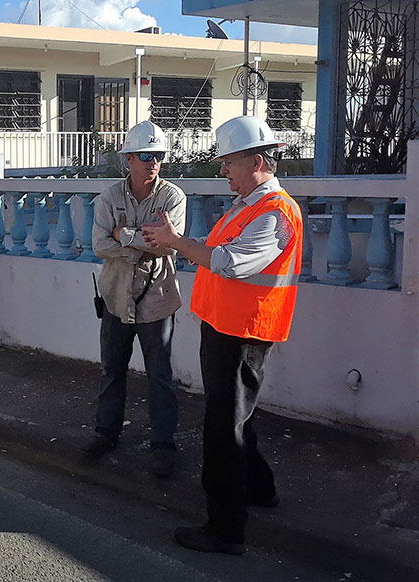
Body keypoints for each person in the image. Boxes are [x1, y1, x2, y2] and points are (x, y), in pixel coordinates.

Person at [141, 116, 303, 555]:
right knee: (235, 420)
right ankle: (260, 489)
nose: (223, 170)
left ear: (256, 160)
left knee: (222, 429)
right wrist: (177, 242)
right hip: (226, 328)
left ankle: (225, 530)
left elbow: (232, 263)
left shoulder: (276, 212)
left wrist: (176, 242)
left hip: (243, 332)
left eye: (228, 161)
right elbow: (215, 254)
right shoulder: (248, 204)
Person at [82, 121, 186, 478]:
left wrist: (122, 235)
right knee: (112, 369)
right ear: (128, 158)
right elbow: (99, 245)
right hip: (114, 296)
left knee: (160, 374)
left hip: (157, 299)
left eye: (158, 156)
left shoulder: (173, 197)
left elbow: (168, 242)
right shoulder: (109, 197)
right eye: (146, 155)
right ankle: (106, 432)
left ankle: (164, 444)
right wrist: (140, 246)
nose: (153, 162)